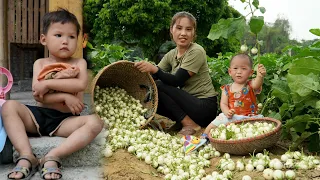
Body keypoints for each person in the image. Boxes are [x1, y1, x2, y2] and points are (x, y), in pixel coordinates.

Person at [2, 9, 103, 180]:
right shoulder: (40, 63)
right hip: (38, 117)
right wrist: (65, 96)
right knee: (9, 106)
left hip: (66, 121)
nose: (65, 41)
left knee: (96, 122)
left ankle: (52, 156)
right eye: (58, 35)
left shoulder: (79, 63)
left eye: (71, 37)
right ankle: (27, 155)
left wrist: (47, 83)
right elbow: (37, 94)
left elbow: (80, 84)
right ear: (44, 39)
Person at [134, 11, 218, 135]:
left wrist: (154, 69)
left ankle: (190, 124)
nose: (183, 33)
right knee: (153, 91)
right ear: (172, 30)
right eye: (179, 28)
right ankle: (183, 120)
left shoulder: (196, 51)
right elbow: (154, 76)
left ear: (194, 33)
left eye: (188, 29)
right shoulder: (171, 54)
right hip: (188, 105)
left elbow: (177, 80)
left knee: (159, 86)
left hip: (204, 107)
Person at [201, 53, 266, 139]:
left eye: (243, 68)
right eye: (235, 68)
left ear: (250, 73)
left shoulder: (250, 85)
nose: (239, 72)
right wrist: (227, 112)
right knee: (218, 119)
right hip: (232, 117)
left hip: (249, 118)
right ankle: (205, 135)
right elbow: (223, 104)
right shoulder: (226, 89)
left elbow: (257, 84)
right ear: (230, 72)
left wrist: (260, 76)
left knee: (261, 126)